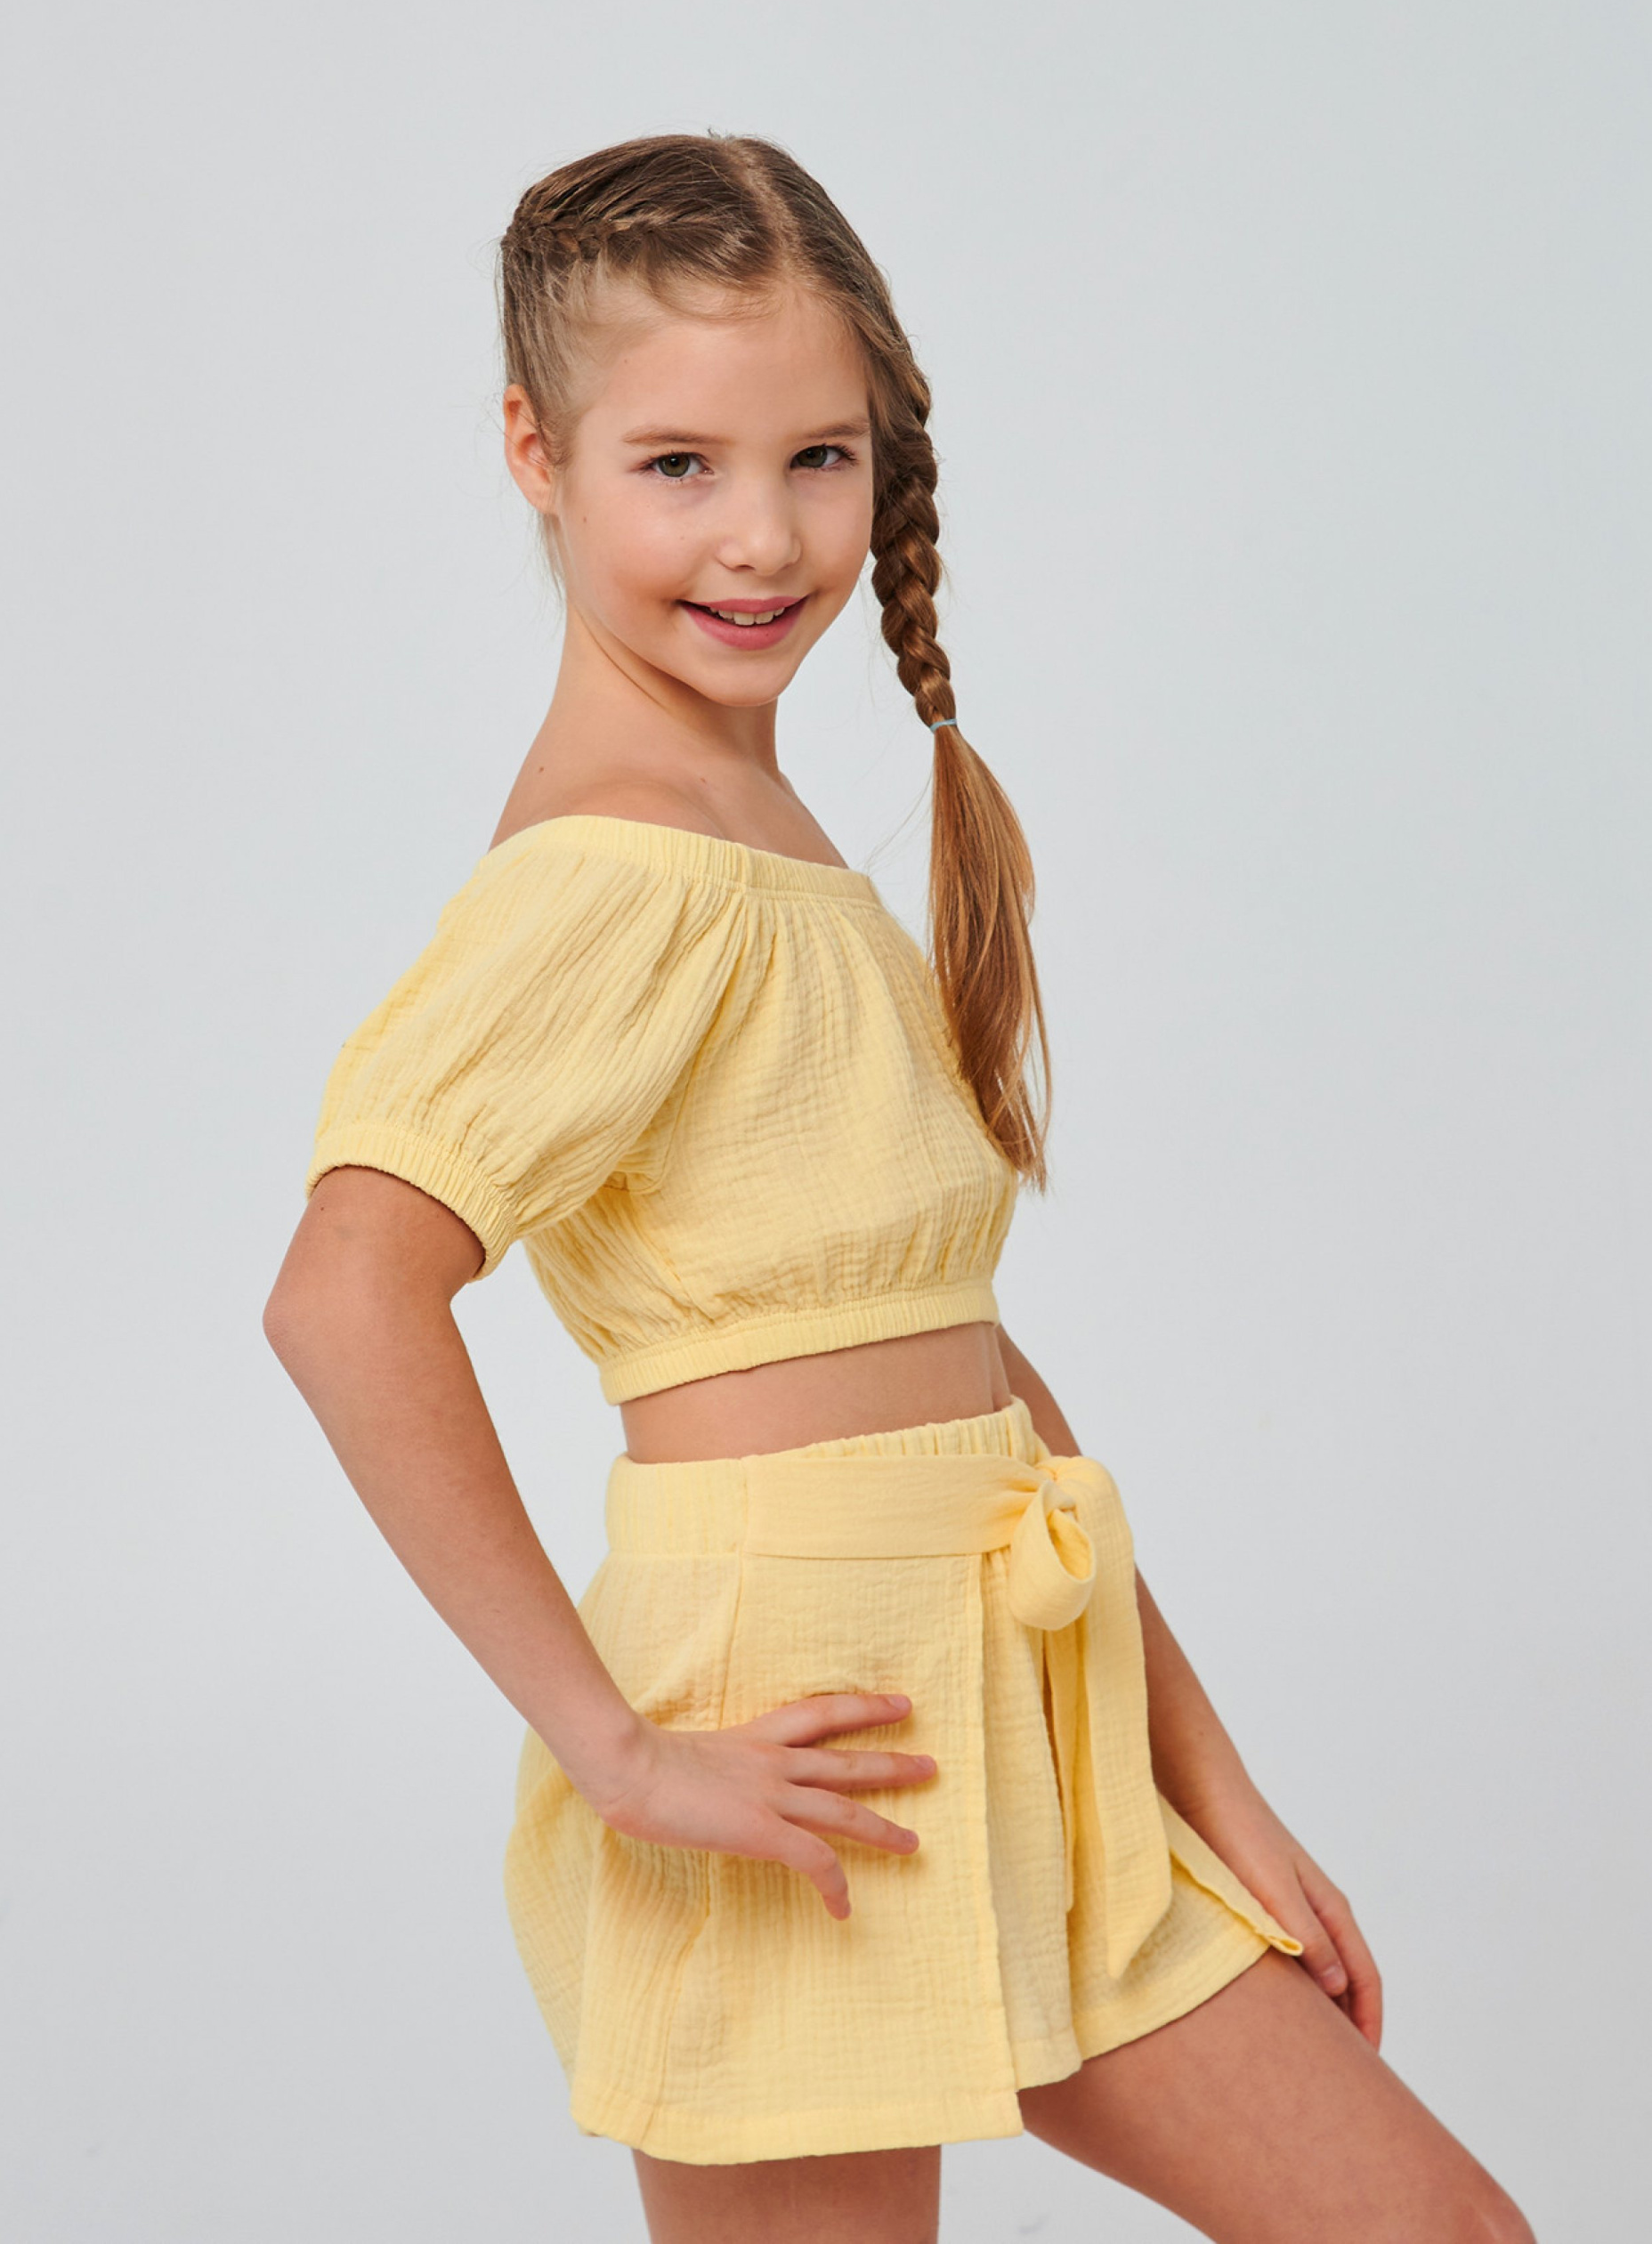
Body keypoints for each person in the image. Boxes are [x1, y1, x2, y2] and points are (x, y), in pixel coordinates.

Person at [263, 134, 1532, 2244]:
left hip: (1014, 1702)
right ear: (534, 454)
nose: (760, 537)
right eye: (677, 465)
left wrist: (1205, 1785)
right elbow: (340, 1297)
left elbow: (965, 1370)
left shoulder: (765, 844)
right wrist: (615, 1751)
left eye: (818, 460)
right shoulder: (609, 873)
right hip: (793, 1740)